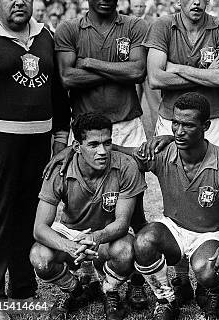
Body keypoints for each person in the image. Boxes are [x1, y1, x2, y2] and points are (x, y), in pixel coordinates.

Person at [54, 0, 150, 309]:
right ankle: (86, 279)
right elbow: (67, 78)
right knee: (81, 205)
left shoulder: (135, 26)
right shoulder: (68, 29)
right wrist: (114, 73)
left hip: (127, 125)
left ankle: (138, 277)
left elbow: (138, 71)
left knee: (133, 205)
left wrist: (92, 63)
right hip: (86, 132)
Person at [0, 0, 70, 320]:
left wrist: (61, 138)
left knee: (26, 220)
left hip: (39, 145)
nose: (20, 2)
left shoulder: (44, 35)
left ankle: (22, 293)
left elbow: (58, 93)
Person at [127, 93, 219, 320]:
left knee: (207, 268)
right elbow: (122, 156)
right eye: (175, 123)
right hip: (174, 229)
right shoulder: (162, 152)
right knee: (143, 241)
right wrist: (72, 151)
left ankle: (215, 291)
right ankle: (166, 299)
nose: (179, 131)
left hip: (210, 234)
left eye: (188, 125)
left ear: (205, 126)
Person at [29, 113, 146, 320]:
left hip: (107, 234)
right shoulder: (60, 170)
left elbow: (121, 223)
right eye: (93, 145)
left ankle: (109, 290)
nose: (102, 151)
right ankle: (74, 289)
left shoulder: (126, 166)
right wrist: (70, 246)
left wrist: (95, 238)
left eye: (107, 143)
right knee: (40, 258)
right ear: (76, 146)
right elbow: (40, 228)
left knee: (126, 251)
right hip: (70, 233)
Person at [145, 0, 219, 149]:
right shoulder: (162, 25)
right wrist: (208, 75)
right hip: (172, 120)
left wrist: (177, 68)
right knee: (172, 175)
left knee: (215, 174)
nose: (196, 1)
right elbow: (155, 79)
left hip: (213, 119)